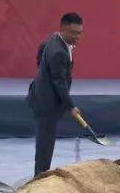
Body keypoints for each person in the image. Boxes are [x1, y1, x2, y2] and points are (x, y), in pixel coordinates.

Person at [27, 12, 83, 175]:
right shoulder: (59, 52)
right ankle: (39, 178)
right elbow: (59, 83)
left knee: (44, 143)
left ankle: (40, 174)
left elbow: (42, 55)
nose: (77, 37)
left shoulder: (54, 39)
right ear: (62, 29)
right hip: (46, 103)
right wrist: (71, 106)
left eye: (80, 33)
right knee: (45, 145)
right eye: (73, 33)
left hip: (40, 95)